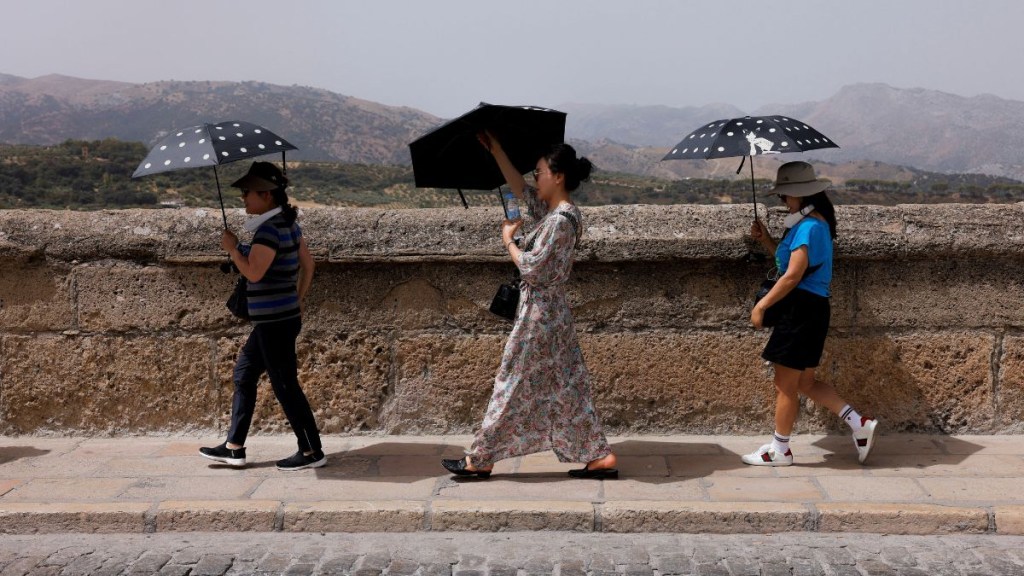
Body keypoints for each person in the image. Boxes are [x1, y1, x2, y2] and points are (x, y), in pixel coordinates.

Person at [441, 133, 618, 480]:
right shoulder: (560, 214)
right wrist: (498, 150)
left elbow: (532, 267)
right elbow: (520, 190)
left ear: (558, 175)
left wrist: (508, 241)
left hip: (539, 315)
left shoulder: (559, 222)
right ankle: (599, 456)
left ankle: (481, 458)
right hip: (554, 316)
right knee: (569, 388)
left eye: (540, 172)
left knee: (510, 382)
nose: (535, 178)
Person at [744, 161, 878, 467]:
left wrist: (761, 306)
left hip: (800, 312)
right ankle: (859, 424)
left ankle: (780, 450)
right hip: (814, 310)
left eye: (785, 196)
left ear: (800, 195)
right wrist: (766, 240)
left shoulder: (807, 227)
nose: (783, 202)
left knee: (785, 385)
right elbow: (792, 264)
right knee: (805, 383)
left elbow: (791, 276)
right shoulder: (817, 224)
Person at [199, 161, 325, 471]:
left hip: (273, 323)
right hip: (279, 318)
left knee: (285, 385)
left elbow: (254, 272)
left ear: (266, 195)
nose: (243, 198)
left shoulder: (268, 230)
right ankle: (234, 447)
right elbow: (308, 266)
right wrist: (296, 299)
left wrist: (232, 250)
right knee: (244, 373)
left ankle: (311, 451)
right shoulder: (288, 225)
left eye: (247, 193)